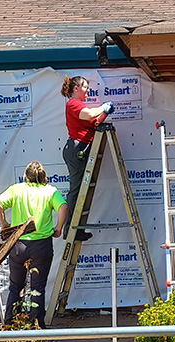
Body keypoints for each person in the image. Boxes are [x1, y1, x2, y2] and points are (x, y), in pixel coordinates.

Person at [0, 161, 69, 329]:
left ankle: (10, 325)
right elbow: (63, 207)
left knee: (16, 286)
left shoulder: (16, 189)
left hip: (18, 244)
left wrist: (3, 223)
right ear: (43, 176)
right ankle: (36, 327)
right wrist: (58, 228)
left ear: (25, 176)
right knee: (37, 287)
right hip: (41, 245)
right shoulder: (50, 191)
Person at [59, 75, 114, 242]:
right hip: (76, 149)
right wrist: (103, 106)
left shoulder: (80, 105)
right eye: (85, 87)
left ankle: (77, 228)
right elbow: (90, 114)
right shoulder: (73, 104)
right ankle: (70, 230)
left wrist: (104, 113)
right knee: (76, 191)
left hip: (80, 149)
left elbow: (94, 122)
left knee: (81, 190)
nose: (88, 90)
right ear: (76, 89)